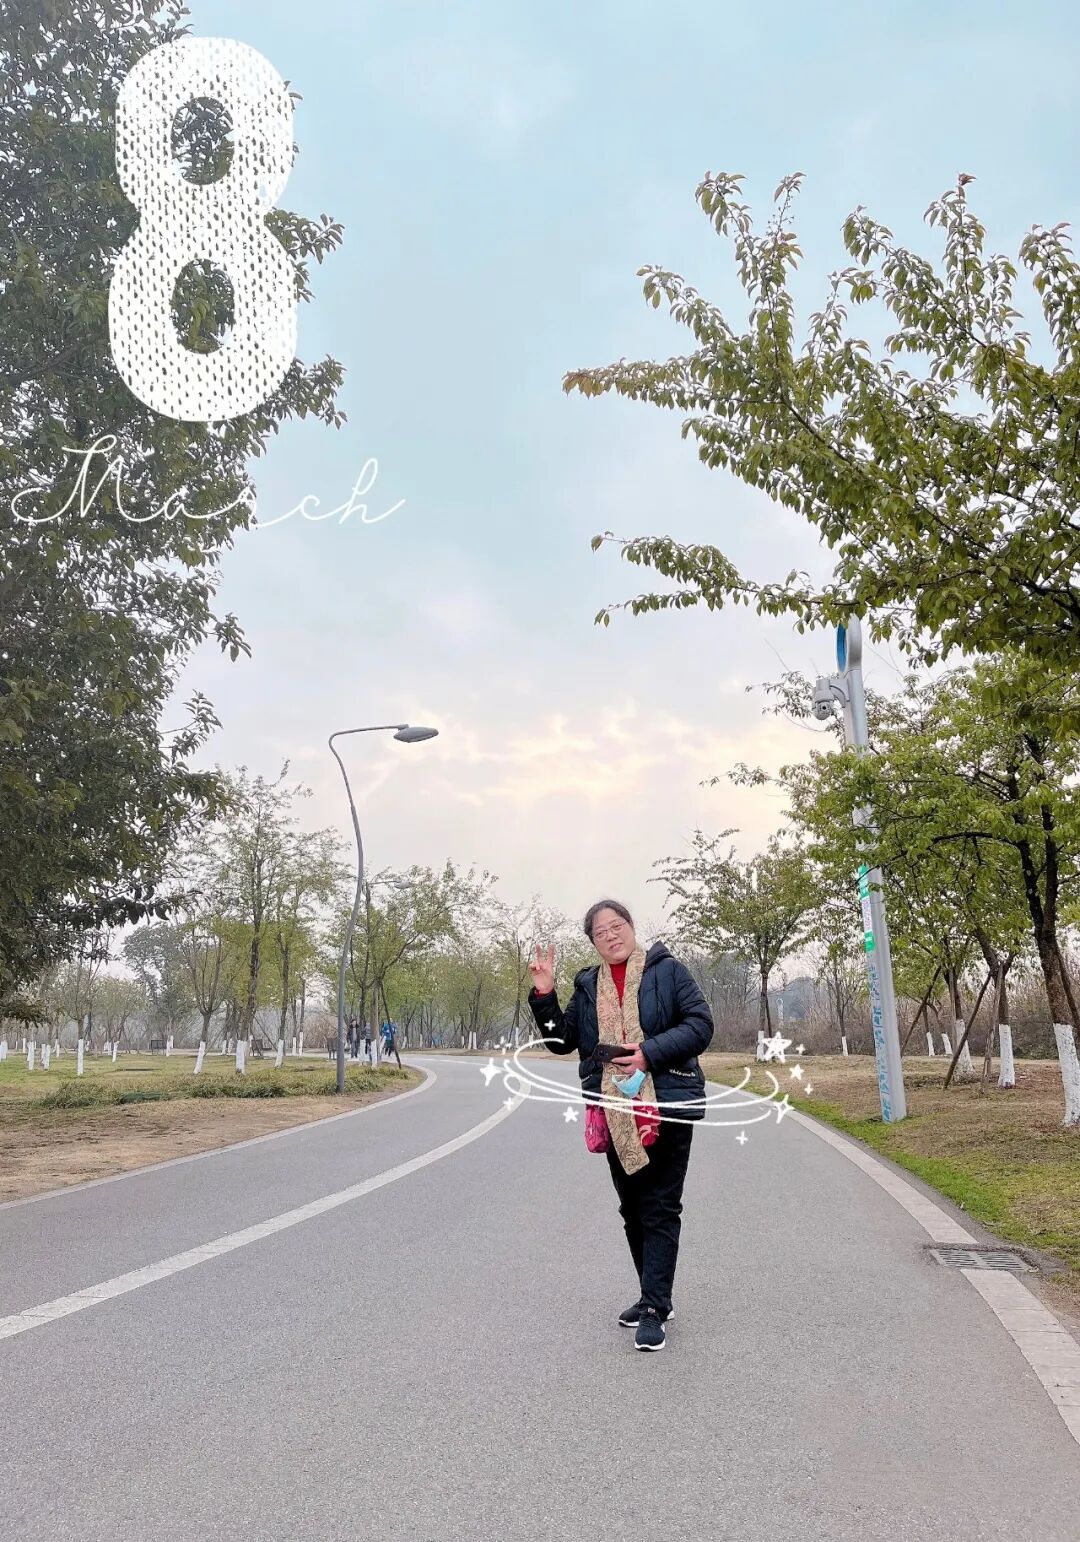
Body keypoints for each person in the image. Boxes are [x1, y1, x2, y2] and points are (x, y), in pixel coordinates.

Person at [528, 899, 713, 1353]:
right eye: (600, 932)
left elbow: (700, 1025)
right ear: (592, 942)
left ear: (631, 926)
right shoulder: (588, 985)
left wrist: (648, 1053)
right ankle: (655, 1297)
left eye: (617, 926)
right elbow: (561, 1040)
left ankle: (654, 1308)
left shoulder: (668, 971)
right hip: (613, 1108)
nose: (611, 935)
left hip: (665, 1101)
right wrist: (545, 994)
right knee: (632, 1207)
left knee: (660, 1206)